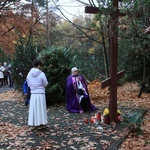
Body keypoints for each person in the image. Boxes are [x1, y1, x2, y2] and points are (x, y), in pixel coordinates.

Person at [26, 59, 48, 129]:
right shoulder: (42, 74)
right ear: (38, 65)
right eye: (41, 66)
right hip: (41, 93)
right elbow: (45, 83)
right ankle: (41, 123)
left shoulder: (29, 74)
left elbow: (28, 84)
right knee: (41, 108)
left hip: (33, 93)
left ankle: (33, 123)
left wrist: (33, 87)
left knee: (34, 109)